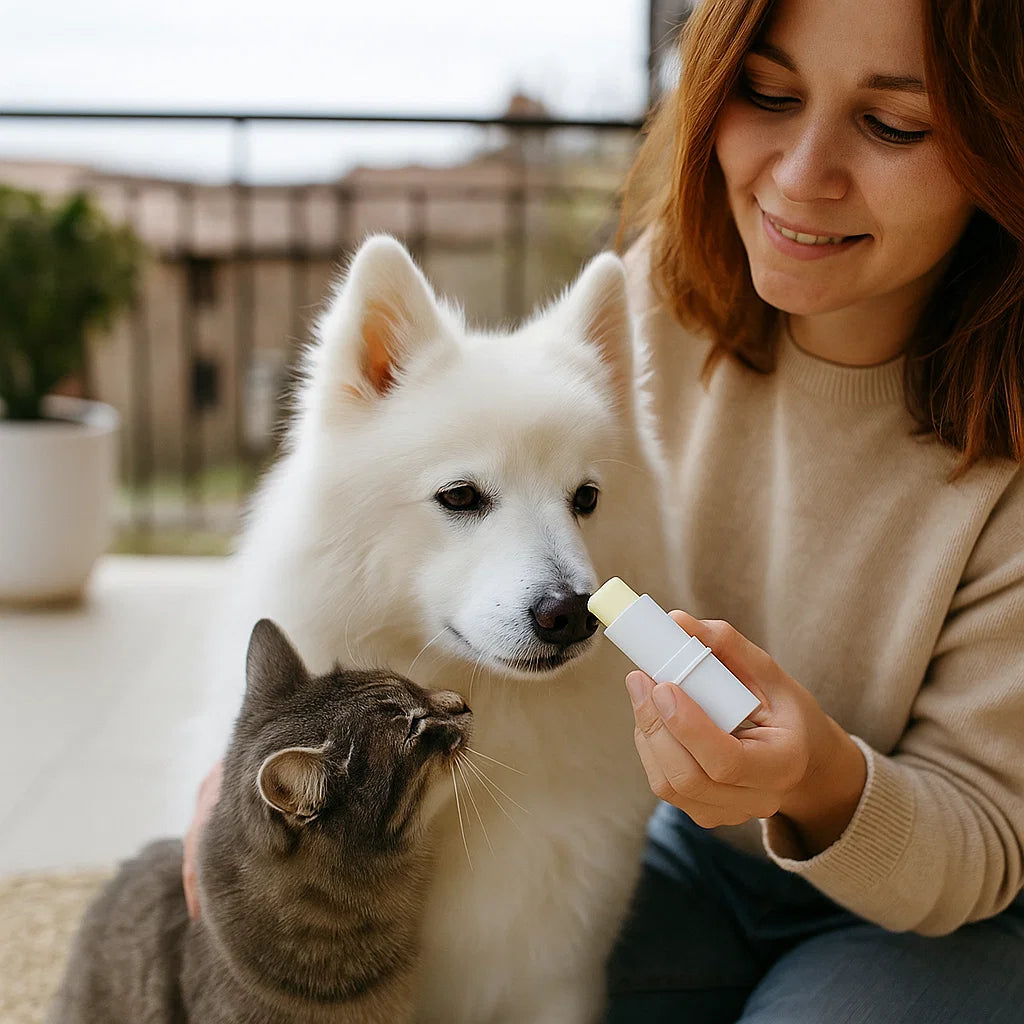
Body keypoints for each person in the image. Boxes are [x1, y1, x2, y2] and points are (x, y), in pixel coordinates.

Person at [603, 0, 1024, 1020]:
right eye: (768, 94)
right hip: (691, 856)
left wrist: (818, 779)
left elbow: (983, 842)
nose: (798, 178)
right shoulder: (655, 296)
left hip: (956, 919)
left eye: (893, 125)